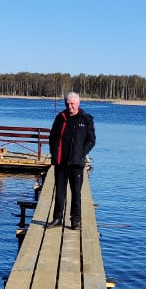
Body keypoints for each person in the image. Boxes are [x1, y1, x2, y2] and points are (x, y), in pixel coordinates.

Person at [48, 91, 96, 228]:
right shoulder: (60, 118)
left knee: (76, 193)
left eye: (72, 104)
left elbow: (91, 140)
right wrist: (53, 152)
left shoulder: (86, 119)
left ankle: (75, 221)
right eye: (67, 104)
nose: (70, 107)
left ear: (78, 103)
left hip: (76, 163)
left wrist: (81, 153)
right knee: (60, 193)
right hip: (60, 163)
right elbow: (52, 138)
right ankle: (57, 218)